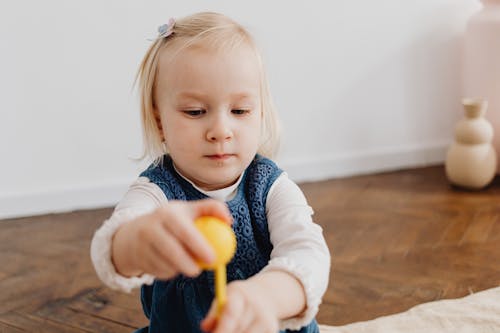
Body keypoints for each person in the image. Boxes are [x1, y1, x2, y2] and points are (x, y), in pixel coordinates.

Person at [90, 11, 331, 333]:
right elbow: (110, 248)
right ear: (160, 121)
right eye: (195, 112)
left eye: (240, 110)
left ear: (260, 113)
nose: (220, 130)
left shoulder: (271, 186)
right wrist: (137, 241)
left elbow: (310, 255)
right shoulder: (155, 192)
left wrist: (268, 297)